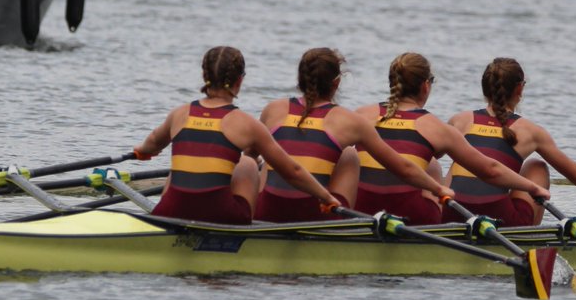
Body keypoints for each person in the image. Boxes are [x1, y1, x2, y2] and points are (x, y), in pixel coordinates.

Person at [134, 46, 341, 225]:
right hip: (221, 217)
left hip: (170, 212)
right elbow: (292, 172)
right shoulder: (247, 124)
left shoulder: (179, 114)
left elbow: (152, 143)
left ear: (205, 77)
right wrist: (325, 197)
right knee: (247, 163)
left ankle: (165, 219)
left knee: (179, 167)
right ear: (239, 81)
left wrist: (141, 153)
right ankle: (245, 237)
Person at [253, 47, 456, 223]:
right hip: (318, 215)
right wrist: (439, 190)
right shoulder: (350, 121)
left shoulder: (272, 110)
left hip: (267, 212)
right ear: (337, 83)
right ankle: (343, 229)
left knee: (263, 158)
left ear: (300, 79)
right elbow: (402, 168)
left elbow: (252, 157)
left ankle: (249, 225)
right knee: (349, 155)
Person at [353, 53, 549, 225]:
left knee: (351, 156)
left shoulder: (360, 115)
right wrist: (533, 188)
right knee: (432, 166)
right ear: (425, 86)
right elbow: (490, 170)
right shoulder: (437, 127)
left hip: (359, 209)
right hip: (412, 216)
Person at [442, 58, 576, 227]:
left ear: (484, 88)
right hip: (499, 218)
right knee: (536, 166)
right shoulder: (531, 131)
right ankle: (528, 238)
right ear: (520, 89)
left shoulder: (459, 121)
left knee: (458, 160)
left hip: (452, 213)